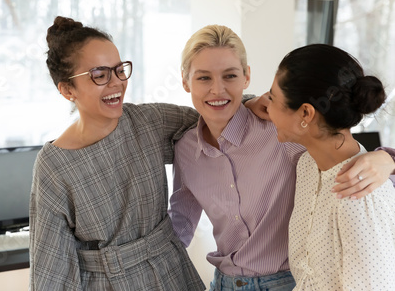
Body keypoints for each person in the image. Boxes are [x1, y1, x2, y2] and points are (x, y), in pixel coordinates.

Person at [168, 25, 395, 291]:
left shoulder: (280, 134)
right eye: (204, 78)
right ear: (185, 80)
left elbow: (334, 141)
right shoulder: (186, 149)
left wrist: (388, 159)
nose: (217, 90)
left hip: (283, 283)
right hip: (224, 283)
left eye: (229, 75)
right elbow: (180, 223)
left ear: (246, 77)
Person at [28, 16, 205, 290]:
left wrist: (256, 104)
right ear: (66, 89)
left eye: (119, 69)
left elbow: (213, 119)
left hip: (172, 274)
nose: (116, 83)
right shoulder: (55, 165)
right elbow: (52, 271)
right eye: (99, 75)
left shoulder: (148, 121)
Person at [267, 44, 395, 290]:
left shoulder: (360, 195)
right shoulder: (306, 164)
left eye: (272, 98)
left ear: (306, 113)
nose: (267, 107)